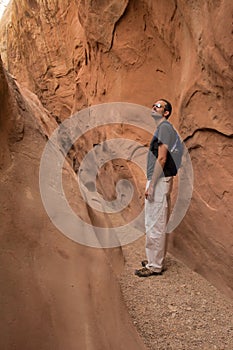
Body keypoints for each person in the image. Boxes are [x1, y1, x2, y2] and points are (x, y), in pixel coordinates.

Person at [135, 99, 177, 277]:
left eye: (158, 106)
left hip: (158, 181)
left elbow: (162, 158)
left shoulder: (164, 128)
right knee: (156, 220)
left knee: (154, 222)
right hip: (159, 180)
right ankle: (155, 259)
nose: (153, 107)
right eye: (152, 105)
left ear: (166, 112)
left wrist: (151, 184)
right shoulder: (162, 128)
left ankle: (154, 266)